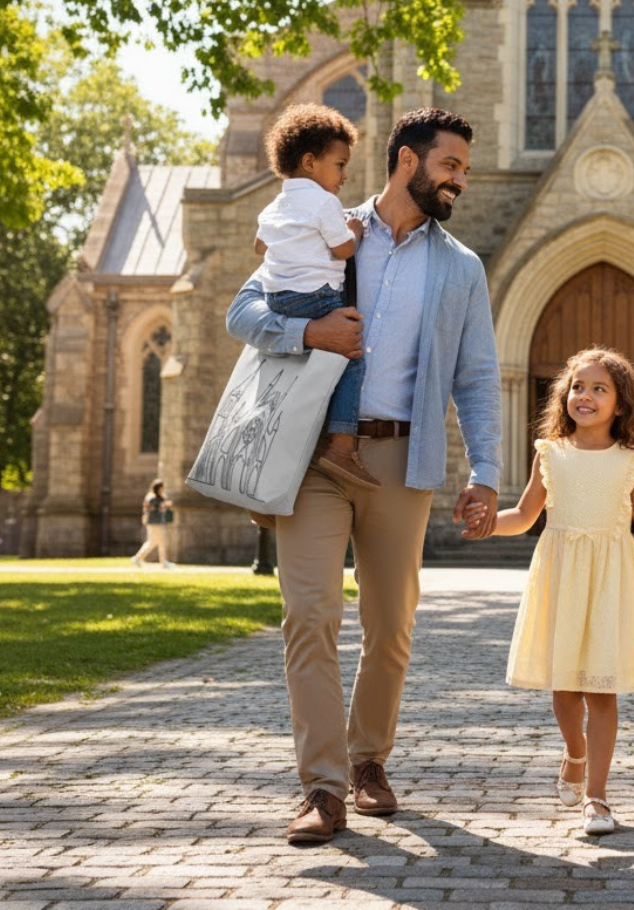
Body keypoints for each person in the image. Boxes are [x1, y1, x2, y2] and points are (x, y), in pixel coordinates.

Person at [226, 107, 502, 845]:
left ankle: (368, 760)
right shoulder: (318, 220)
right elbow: (242, 310)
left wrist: (486, 469)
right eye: (452, 166)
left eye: (465, 171)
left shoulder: (461, 267)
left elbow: (477, 379)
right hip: (313, 452)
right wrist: (305, 331)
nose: (461, 181)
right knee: (310, 616)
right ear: (408, 161)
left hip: (403, 461)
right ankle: (321, 785)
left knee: (391, 626)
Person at [463, 347, 634, 836]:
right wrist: (486, 525)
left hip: (610, 577)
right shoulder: (550, 451)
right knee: (564, 687)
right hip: (561, 573)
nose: (584, 396)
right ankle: (575, 751)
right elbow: (524, 516)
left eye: (598, 389)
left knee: (601, 689)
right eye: (577, 387)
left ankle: (598, 797)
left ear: (622, 404)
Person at [254, 103, 376, 489]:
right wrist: (353, 228)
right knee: (352, 356)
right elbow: (343, 251)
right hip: (317, 298)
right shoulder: (325, 203)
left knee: (295, 374)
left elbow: (260, 246)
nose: (344, 175)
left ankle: (274, 462)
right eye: (339, 165)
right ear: (310, 162)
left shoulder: (274, 206)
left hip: (279, 300)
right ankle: (342, 447)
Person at [131, 479, 175, 568]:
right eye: (161, 488)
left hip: (157, 522)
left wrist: (164, 504)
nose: (162, 489)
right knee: (158, 542)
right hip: (154, 523)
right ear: (157, 488)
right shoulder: (151, 497)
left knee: (153, 542)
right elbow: (152, 507)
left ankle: (138, 558)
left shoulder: (160, 497)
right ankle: (163, 563)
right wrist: (163, 504)